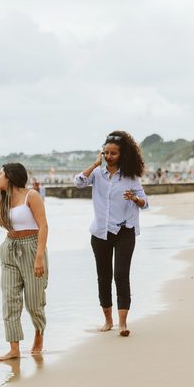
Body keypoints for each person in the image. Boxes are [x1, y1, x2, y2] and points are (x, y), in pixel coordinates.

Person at [0, 163, 49, 361]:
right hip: (9, 249)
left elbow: (44, 226)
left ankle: (39, 333)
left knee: (34, 301)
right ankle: (14, 348)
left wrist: (39, 257)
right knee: (10, 300)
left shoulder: (32, 196)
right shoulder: (2, 202)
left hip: (32, 248)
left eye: (0, 174)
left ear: (10, 177)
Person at [74, 131, 148, 337]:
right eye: (105, 152)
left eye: (113, 153)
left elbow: (145, 203)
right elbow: (78, 182)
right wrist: (94, 165)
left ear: (122, 154)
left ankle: (123, 323)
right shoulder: (97, 174)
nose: (109, 156)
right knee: (103, 277)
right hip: (100, 233)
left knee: (121, 275)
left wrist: (135, 198)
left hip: (124, 231)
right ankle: (108, 321)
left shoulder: (131, 177)